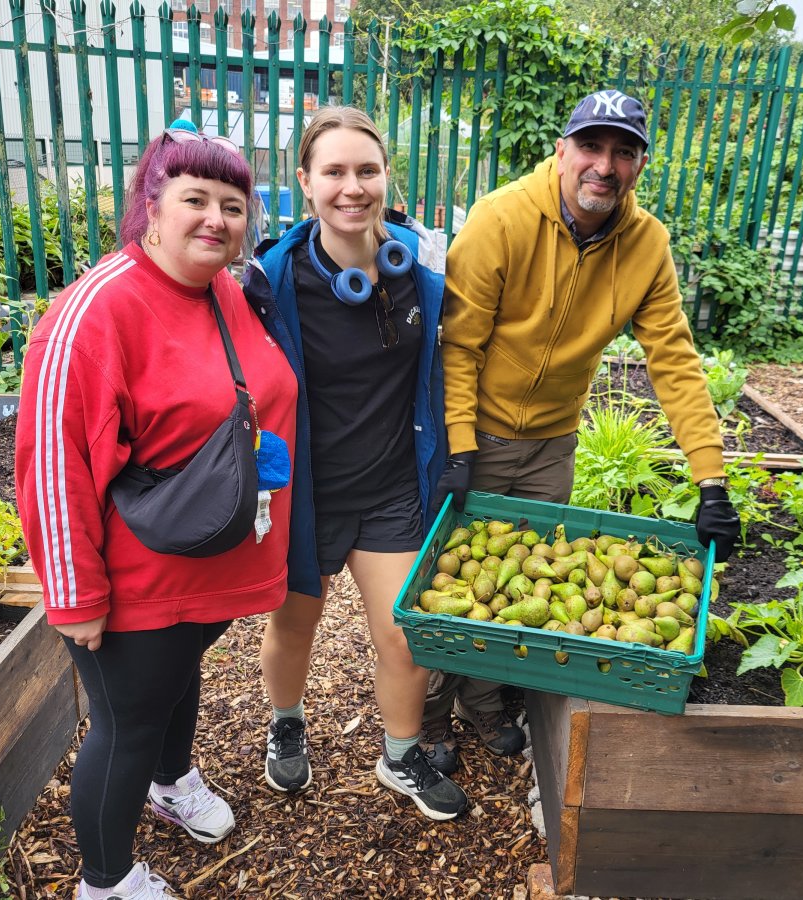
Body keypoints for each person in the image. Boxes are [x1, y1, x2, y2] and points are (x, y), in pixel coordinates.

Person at [15, 120, 300, 900]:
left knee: (176, 678)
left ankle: (171, 784)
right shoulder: (97, 311)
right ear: (151, 203)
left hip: (205, 558)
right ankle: (105, 883)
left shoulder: (223, 292)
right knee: (127, 721)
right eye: (196, 199)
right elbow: (52, 461)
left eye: (234, 205)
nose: (217, 219)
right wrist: (74, 595)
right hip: (135, 575)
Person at [420, 89, 742, 773]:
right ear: (562, 151)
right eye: (592, 147)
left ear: (641, 165)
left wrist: (710, 481)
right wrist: (458, 442)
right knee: (444, 578)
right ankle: (425, 714)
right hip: (473, 432)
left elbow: (676, 363)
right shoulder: (501, 218)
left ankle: (483, 703)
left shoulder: (646, 244)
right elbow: (461, 344)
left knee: (509, 588)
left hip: (551, 443)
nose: (605, 165)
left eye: (623, 152)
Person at [249, 106, 468, 821]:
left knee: (406, 632)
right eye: (334, 172)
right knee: (293, 625)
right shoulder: (267, 280)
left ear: (385, 178)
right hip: (307, 495)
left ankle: (400, 756)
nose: (353, 187)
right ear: (305, 185)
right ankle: (287, 722)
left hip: (391, 490)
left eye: (366, 170)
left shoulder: (423, 264)